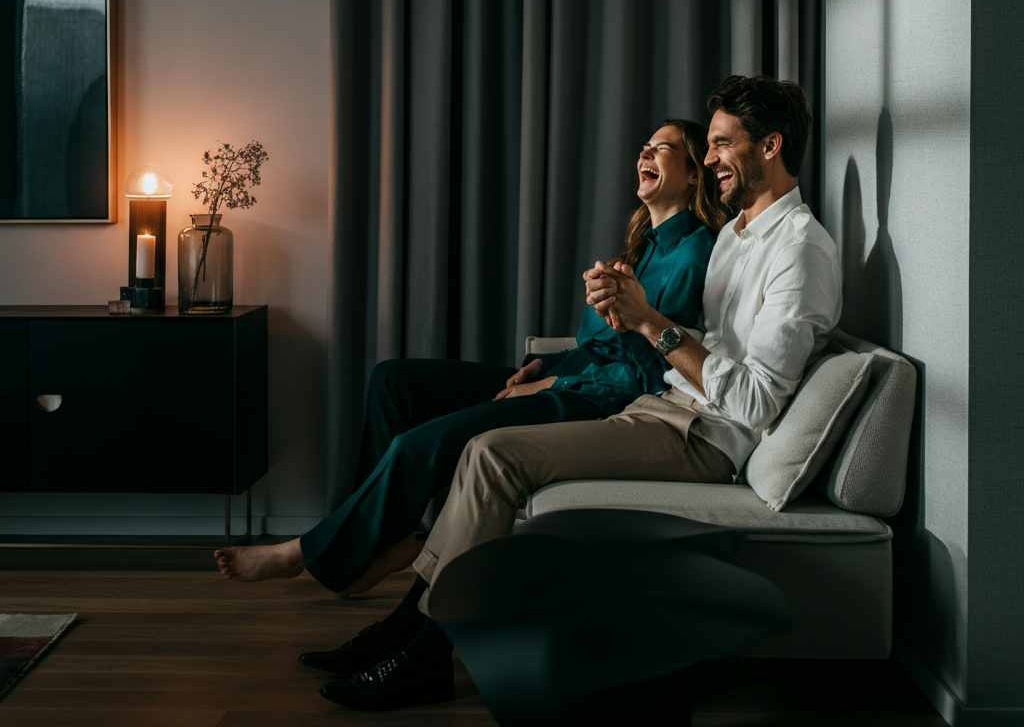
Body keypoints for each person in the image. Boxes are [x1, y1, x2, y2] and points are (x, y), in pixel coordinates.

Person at [318, 74, 842, 712]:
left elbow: (756, 402)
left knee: (492, 454)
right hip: (665, 407)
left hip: (704, 436)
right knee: (483, 448)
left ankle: (423, 653)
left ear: (771, 145)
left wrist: (651, 323)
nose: (709, 159)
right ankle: (407, 632)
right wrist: (631, 308)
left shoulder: (801, 251)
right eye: (707, 145)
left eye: (722, 143)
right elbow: (709, 343)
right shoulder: (736, 236)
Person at [215, 119, 728, 612]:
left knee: (417, 445)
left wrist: (556, 381)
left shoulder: (694, 252)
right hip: (569, 378)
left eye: (663, 147)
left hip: (598, 403)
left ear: (692, 174)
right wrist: (543, 364)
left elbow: (653, 372)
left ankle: (308, 552)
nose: (645, 152)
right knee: (393, 381)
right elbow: (602, 344)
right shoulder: (638, 251)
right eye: (644, 145)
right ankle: (378, 542)